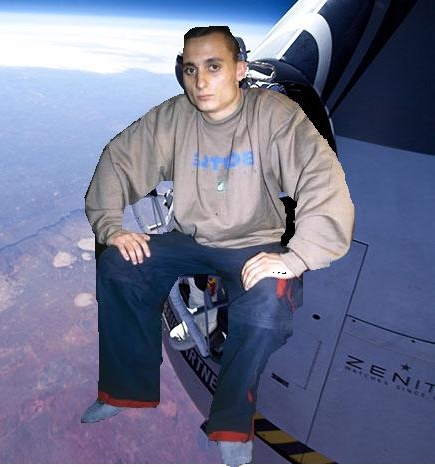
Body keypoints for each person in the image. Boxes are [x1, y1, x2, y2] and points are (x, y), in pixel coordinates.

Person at [81, 25, 354, 466]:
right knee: (118, 265)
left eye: (213, 67)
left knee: (268, 304)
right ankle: (124, 391)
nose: (200, 82)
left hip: (252, 245)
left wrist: (297, 258)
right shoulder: (174, 118)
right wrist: (111, 226)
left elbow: (321, 179)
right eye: (190, 70)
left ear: (240, 70)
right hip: (190, 239)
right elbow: (120, 161)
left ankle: (231, 426)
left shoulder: (274, 117)